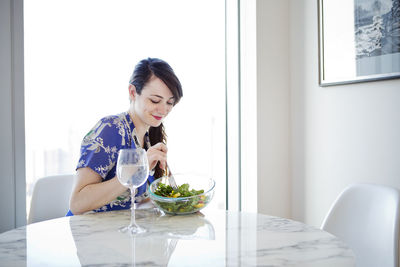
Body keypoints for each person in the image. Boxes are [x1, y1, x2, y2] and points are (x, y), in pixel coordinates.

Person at [68, 57, 183, 215]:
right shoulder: (110, 129)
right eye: (155, 101)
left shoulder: (149, 139)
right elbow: (77, 203)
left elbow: (134, 202)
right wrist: (137, 169)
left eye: (170, 103)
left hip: (122, 234)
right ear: (133, 92)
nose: (163, 110)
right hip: (89, 233)